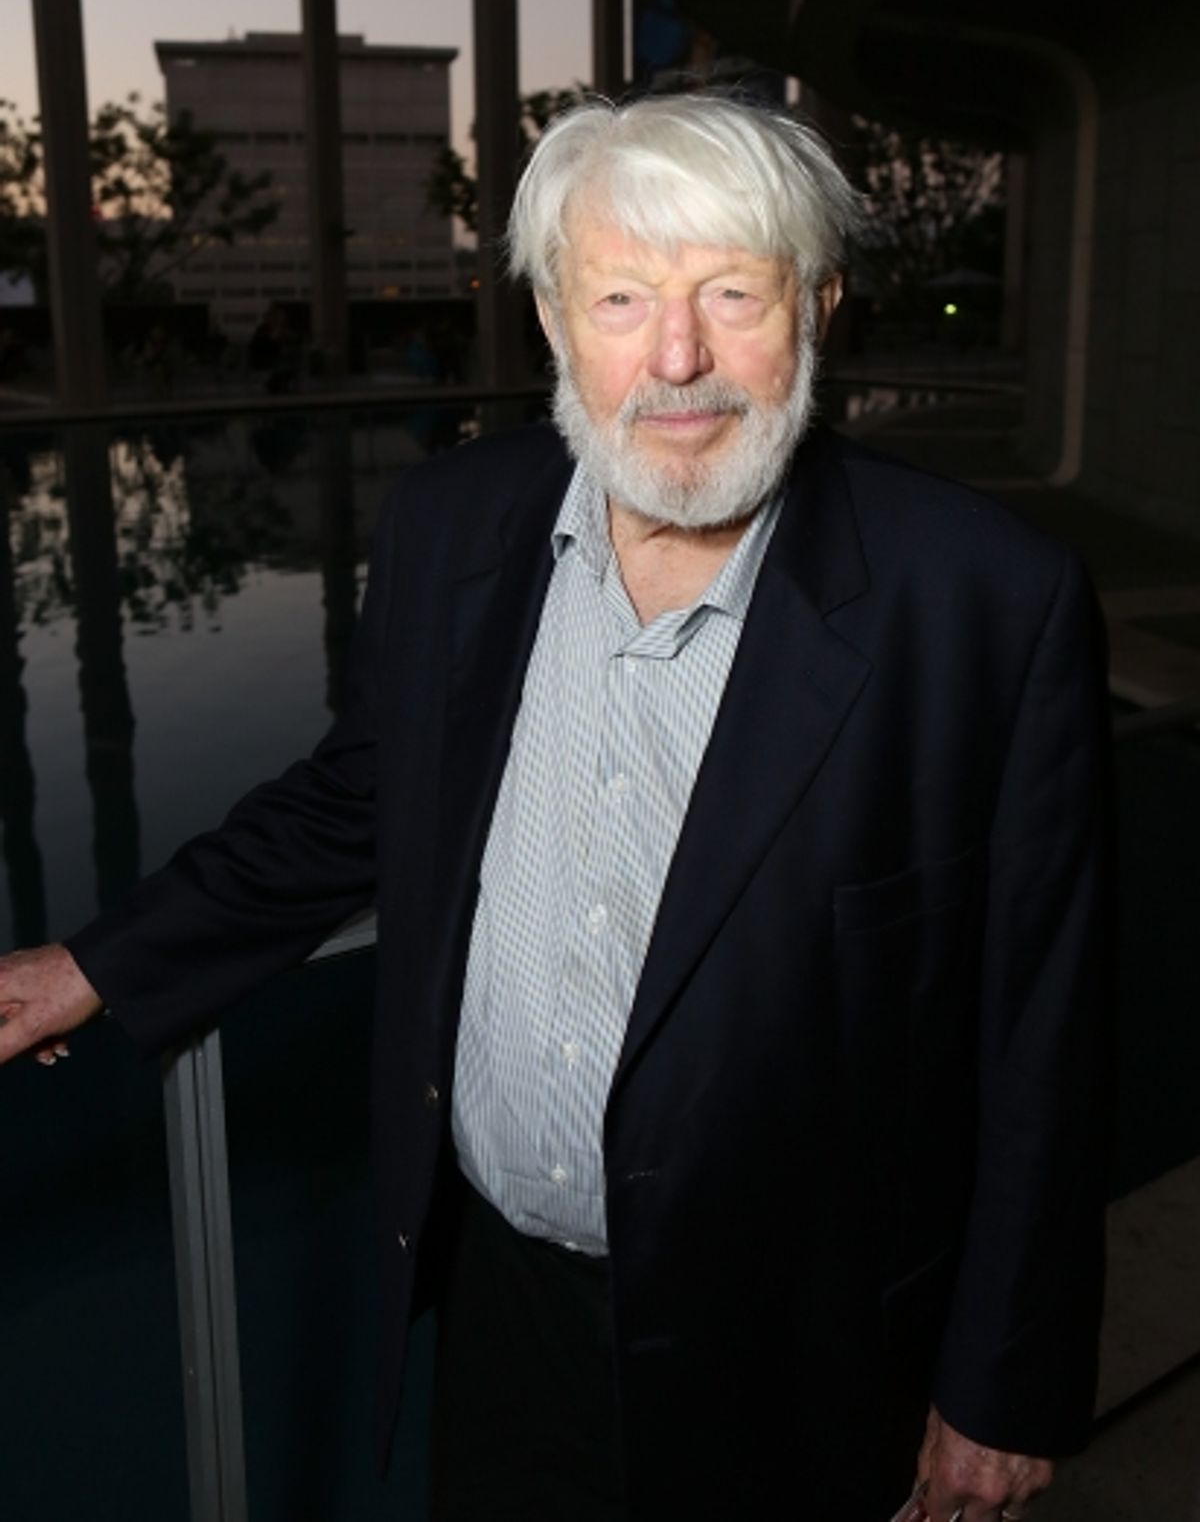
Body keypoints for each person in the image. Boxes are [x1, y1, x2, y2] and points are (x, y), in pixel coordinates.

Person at [0, 95, 1109, 1522]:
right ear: (550, 317)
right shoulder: (454, 526)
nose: (679, 356)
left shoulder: (985, 598)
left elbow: (1045, 1022)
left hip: (803, 1340)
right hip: (505, 1298)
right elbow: (358, 799)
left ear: (819, 307)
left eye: (734, 293)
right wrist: (91, 964)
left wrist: (1002, 1385)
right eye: (623, 296)